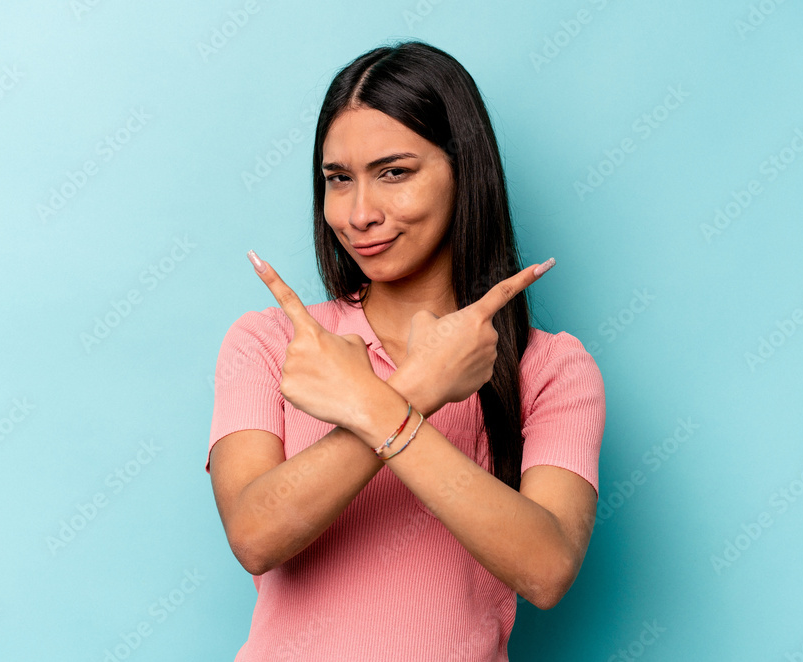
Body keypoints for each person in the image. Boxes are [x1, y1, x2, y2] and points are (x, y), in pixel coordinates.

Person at [207, 40, 605, 661]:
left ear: (464, 171)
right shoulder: (270, 342)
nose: (360, 213)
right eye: (339, 180)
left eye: (394, 173)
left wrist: (374, 405)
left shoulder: (550, 368)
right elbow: (255, 536)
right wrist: (418, 388)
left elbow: (547, 569)